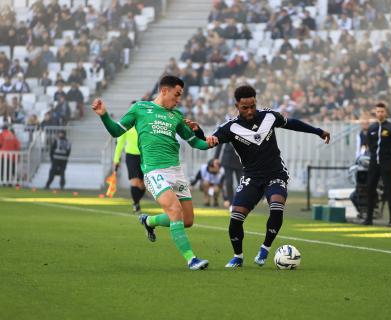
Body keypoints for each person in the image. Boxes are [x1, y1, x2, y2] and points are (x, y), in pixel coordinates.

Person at [91, 75, 217, 270]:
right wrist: (104, 115)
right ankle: (192, 259)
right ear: (164, 91)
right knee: (175, 211)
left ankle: (149, 220)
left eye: (180, 96)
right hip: (154, 171)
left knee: (188, 220)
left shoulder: (176, 115)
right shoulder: (140, 109)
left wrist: (208, 141)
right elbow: (116, 131)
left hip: (176, 172)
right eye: (176, 95)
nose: (178, 100)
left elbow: (195, 142)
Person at [202, 85, 330, 268]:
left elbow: (292, 123)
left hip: (275, 173)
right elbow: (208, 141)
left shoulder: (269, 116)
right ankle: (238, 256)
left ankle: (265, 248)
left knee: (277, 206)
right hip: (252, 178)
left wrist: (318, 131)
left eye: (253, 105)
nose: (250, 111)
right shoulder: (230, 127)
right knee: (235, 218)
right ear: (237, 105)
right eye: (245, 107)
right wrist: (202, 135)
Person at [363, 102, 391, 226]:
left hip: (386, 163)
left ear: (385, 112)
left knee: (388, 190)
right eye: (378, 111)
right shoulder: (372, 128)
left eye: (382, 111)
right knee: (370, 189)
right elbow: (369, 145)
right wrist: (374, 156)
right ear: (375, 112)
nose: (380, 114)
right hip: (374, 163)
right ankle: (369, 218)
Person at [113, 117, 145, 214]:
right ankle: (136, 204)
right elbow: (120, 143)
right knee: (134, 181)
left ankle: (136, 201)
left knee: (143, 184)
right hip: (131, 156)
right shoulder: (126, 125)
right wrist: (116, 159)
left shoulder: (145, 124)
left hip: (145, 156)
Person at [214, 140, 242, 207]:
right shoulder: (227, 129)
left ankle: (241, 202)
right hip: (227, 159)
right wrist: (216, 158)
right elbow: (219, 141)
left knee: (241, 183)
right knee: (229, 182)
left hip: (240, 159)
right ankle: (231, 202)